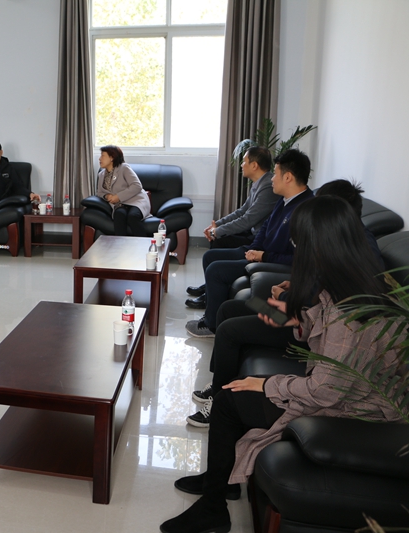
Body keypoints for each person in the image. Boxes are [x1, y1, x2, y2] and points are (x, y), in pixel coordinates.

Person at [161, 195, 404, 533]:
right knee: (234, 379)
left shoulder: (348, 312)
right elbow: (324, 334)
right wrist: (296, 321)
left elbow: (325, 390)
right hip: (345, 392)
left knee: (230, 401)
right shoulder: (354, 283)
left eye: (300, 243)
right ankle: (219, 483)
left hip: (353, 409)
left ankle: (214, 506)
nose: (297, 251)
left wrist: (265, 383)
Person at [187, 178, 384, 427]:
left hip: (305, 325)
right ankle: (219, 381)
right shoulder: (339, 240)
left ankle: (219, 398)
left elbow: (340, 303)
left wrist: (284, 298)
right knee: (230, 309)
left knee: (229, 330)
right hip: (301, 313)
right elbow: (323, 283)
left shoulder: (362, 248)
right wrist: (292, 286)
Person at [185, 149, 314, 338]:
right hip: (261, 255)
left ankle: (211, 326)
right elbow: (266, 227)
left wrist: (263, 256)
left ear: (288, 177)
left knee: (216, 270)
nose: (272, 178)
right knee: (211, 257)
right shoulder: (285, 199)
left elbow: (297, 259)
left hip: (271, 264)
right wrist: (255, 248)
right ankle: (212, 312)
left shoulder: (306, 211)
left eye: (275, 174)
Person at [186, 147, 279, 308]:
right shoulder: (259, 183)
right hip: (252, 234)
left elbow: (247, 220)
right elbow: (242, 211)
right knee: (218, 240)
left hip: (257, 241)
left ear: (254, 165)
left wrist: (217, 231)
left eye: (244, 161)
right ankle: (209, 289)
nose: (241, 165)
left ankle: (209, 294)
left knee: (217, 243)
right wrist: (217, 225)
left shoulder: (267, 187)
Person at [95, 145, 151, 236]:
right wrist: (106, 196)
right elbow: (100, 192)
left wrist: (118, 196)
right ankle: (120, 244)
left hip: (136, 201)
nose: (100, 158)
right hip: (120, 204)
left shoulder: (124, 168)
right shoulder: (101, 175)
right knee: (119, 215)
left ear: (112, 158)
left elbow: (137, 185)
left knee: (132, 216)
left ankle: (145, 243)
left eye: (103, 155)